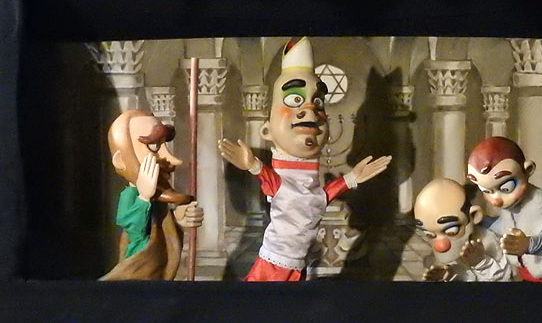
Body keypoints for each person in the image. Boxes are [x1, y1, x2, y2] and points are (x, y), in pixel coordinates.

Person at [219, 37, 391, 281]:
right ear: (267, 130)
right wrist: (254, 166)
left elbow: (320, 196)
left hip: (299, 265)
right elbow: (276, 183)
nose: (310, 110)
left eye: (318, 102)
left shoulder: (311, 190)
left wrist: (352, 177)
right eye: (295, 100)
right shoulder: (281, 184)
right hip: (273, 267)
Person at [102, 109, 203, 280]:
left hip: (156, 272)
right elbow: (133, 227)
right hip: (137, 270)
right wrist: (143, 198)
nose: (172, 160)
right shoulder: (130, 196)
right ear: (120, 160)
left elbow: (159, 226)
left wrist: (178, 219)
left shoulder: (157, 199)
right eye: (154, 146)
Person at [466, 137, 542, 283]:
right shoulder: (511, 207)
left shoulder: (541, 203)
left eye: (506, 188)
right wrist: (483, 220)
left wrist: (529, 244)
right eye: (487, 191)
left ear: (527, 170)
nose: (496, 200)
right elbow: (504, 227)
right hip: (527, 276)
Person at [415, 178, 511, 282]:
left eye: (451, 231)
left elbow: (506, 278)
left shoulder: (489, 241)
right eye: (430, 234)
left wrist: (481, 263)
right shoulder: (447, 254)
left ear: (474, 216)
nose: (440, 246)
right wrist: (448, 277)